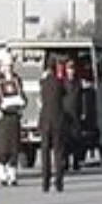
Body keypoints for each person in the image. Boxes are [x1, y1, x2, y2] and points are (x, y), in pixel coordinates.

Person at [0, 50, 26, 186]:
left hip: (14, 118)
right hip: (2, 118)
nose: (9, 68)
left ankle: (12, 173)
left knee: (14, 147)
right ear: (1, 65)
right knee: (2, 147)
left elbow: (23, 96)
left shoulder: (17, 79)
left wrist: (22, 102)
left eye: (11, 66)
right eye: (6, 65)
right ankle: (2, 171)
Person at [38, 54, 67, 193]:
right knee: (58, 152)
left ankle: (45, 182)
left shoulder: (42, 83)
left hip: (45, 120)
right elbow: (64, 93)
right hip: (58, 121)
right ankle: (59, 181)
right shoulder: (59, 82)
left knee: (45, 152)